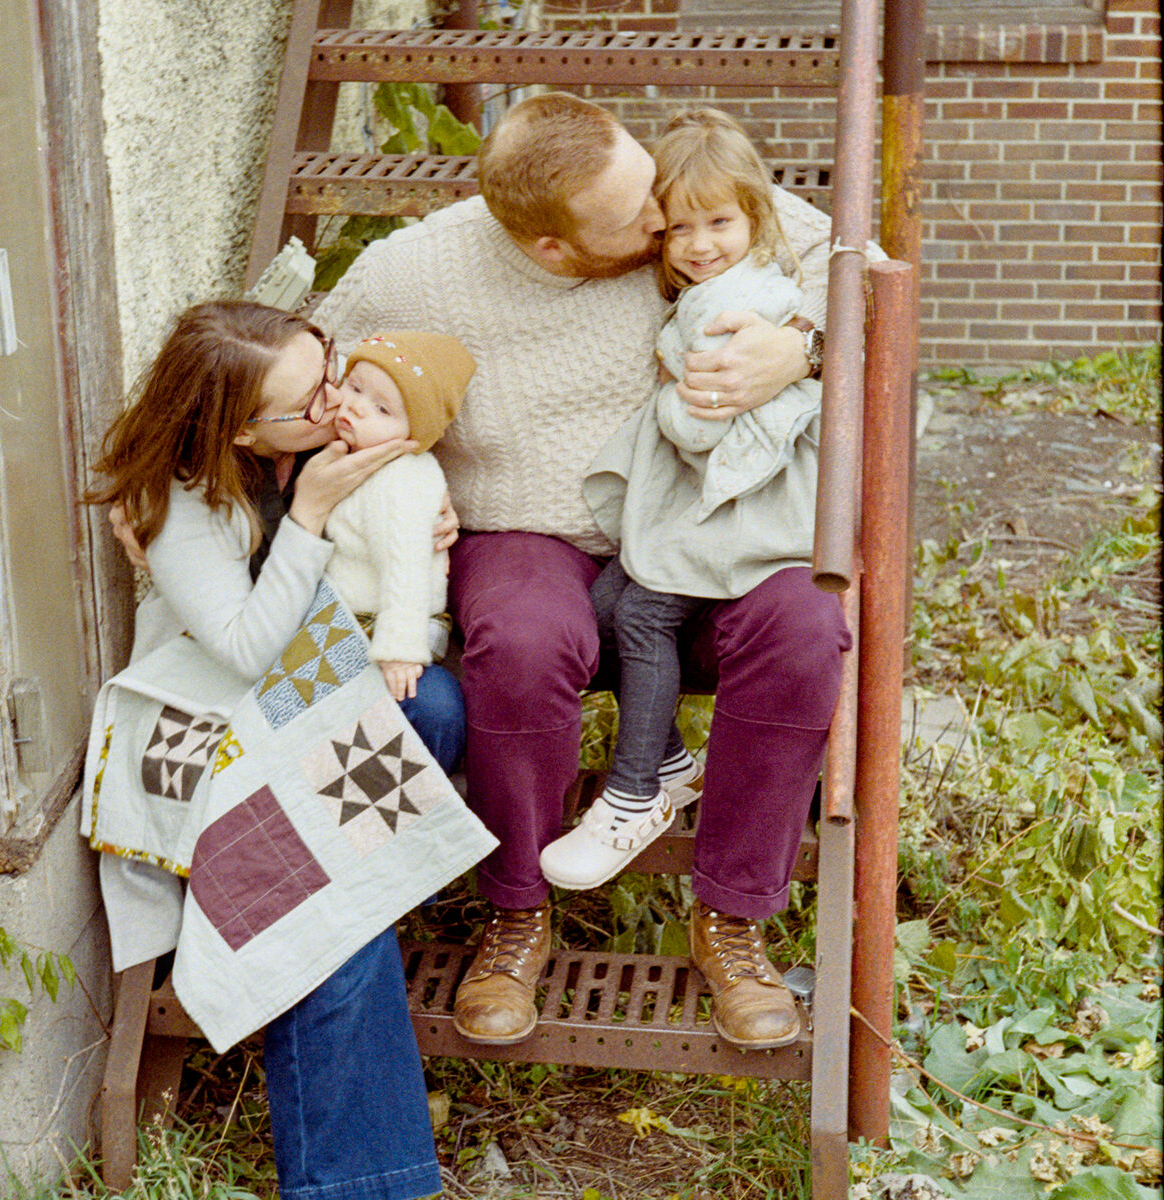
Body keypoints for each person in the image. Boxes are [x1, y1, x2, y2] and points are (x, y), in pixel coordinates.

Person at [315, 90, 861, 1053]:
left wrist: (802, 347)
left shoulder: (682, 204)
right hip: (535, 530)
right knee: (521, 640)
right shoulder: (416, 268)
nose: (669, 228)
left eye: (656, 191)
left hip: (710, 524)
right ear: (553, 248)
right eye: (642, 219)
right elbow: (314, 371)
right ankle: (518, 907)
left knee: (807, 627)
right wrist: (394, 472)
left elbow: (859, 273)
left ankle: (731, 913)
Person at [84, 300, 470, 1200]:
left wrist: (403, 503)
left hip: (308, 705)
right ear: (249, 435)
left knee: (432, 712)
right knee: (331, 898)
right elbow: (250, 649)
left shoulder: (318, 431)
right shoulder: (179, 499)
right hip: (199, 723)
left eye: (332, 368)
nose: (335, 399)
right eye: (311, 400)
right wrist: (310, 515)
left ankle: (357, 885)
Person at [539, 108, 826, 937]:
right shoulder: (722, 290)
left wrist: (669, 390)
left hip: (744, 511)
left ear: (758, 220)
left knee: (641, 613)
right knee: (598, 610)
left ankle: (635, 792)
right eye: (682, 228)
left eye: (721, 222)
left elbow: (700, 425)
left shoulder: (734, 305)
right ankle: (668, 761)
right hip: (705, 508)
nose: (700, 244)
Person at [322, 330, 477, 704]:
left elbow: (404, 564)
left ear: (414, 434)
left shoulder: (401, 478)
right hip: (346, 623)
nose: (357, 407)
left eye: (383, 409)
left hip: (378, 630)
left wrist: (399, 649)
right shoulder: (352, 454)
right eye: (355, 388)